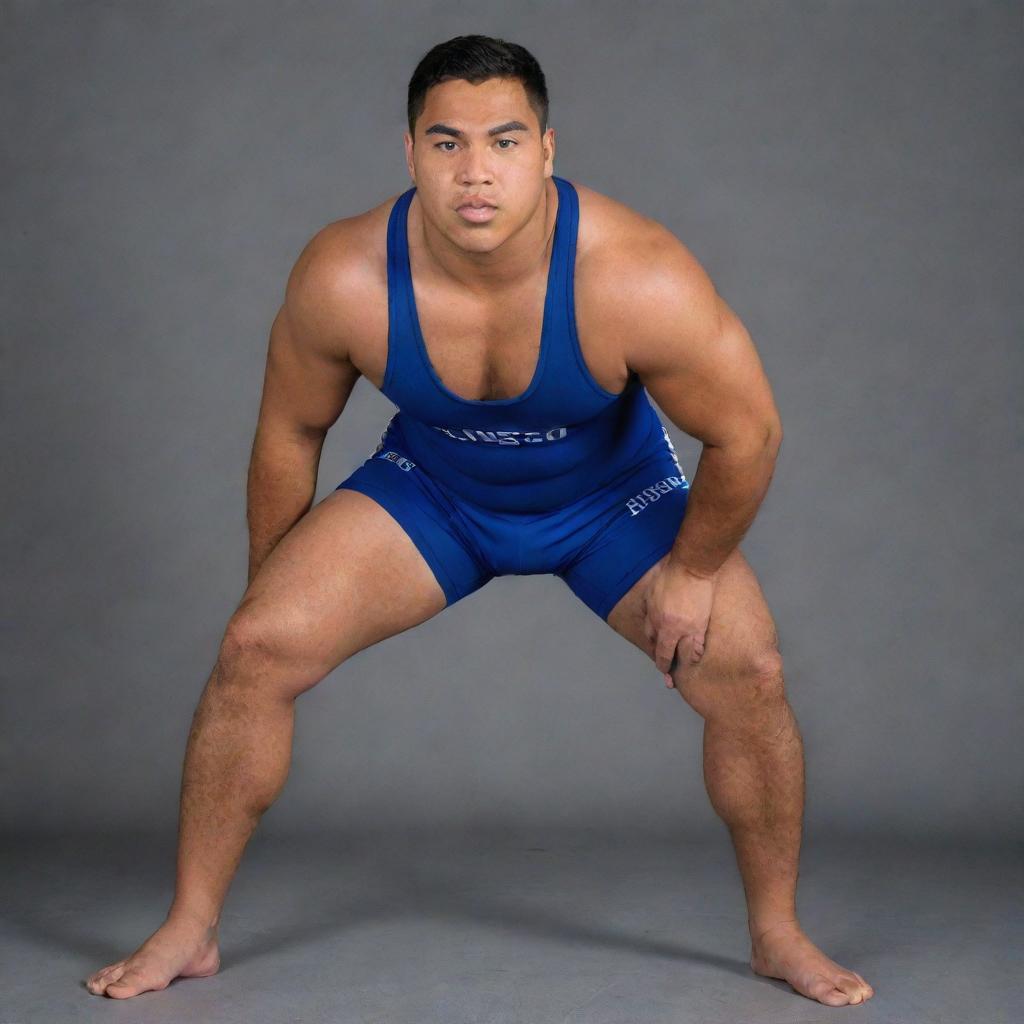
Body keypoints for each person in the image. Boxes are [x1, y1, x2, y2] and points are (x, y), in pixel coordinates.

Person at [86, 34, 873, 1008]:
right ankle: (189, 927)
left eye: (502, 142)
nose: (474, 172)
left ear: (547, 148)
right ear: (408, 151)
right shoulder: (345, 274)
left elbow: (748, 434)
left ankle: (776, 932)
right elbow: (291, 431)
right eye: (446, 142)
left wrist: (697, 570)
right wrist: (274, 590)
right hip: (436, 493)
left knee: (748, 670)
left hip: (609, 501)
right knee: (253, 650)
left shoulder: (636, 273)